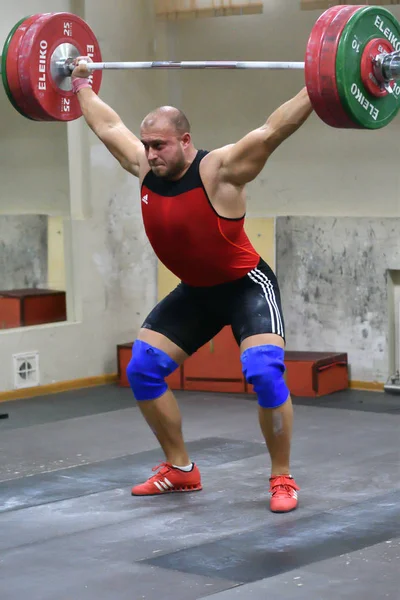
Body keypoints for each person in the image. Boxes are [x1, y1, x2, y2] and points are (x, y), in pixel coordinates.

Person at [71, 57, 313, 513]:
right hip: (197, 293)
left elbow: (273, 130)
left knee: (263, 372)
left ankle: (282, 478)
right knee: (142, 368)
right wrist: (80, 81)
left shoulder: (219, 170)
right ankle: (180, 469)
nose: (150, 153)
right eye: (146, 145)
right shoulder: (145, 168)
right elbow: (107, 125)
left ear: (185, 140)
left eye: (159, 145)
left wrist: (319, 87)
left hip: (246, 286)